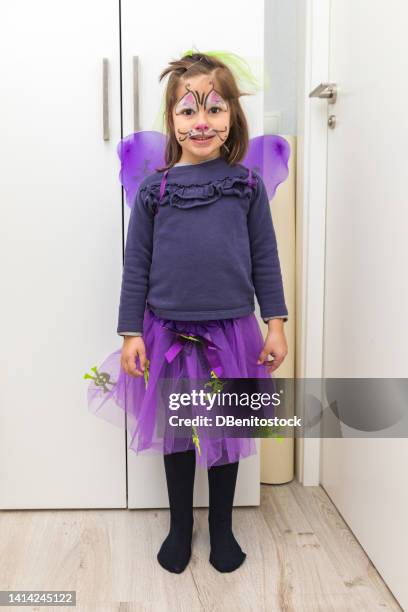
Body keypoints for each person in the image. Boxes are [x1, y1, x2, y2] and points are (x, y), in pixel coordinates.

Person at [88, 51, 289, 574]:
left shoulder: (245, 188)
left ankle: (221, 527)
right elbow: (137, 265)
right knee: (177, 434)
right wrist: (131, 331)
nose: (202, 121)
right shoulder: (155, 190)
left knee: (224, 432)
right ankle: (181, 526)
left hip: (231, 333)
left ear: (232, 119)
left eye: (215, 109)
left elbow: (265, 258)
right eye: (188, 111)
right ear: (172, 121)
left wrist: (275, 323)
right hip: (167, 333)